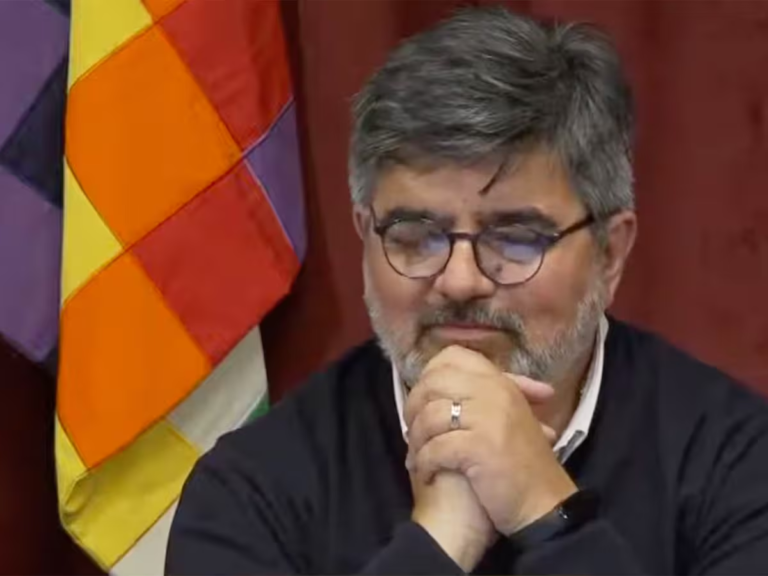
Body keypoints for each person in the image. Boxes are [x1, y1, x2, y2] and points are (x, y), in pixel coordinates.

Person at [165, 6, 768, 575]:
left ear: (610, 253)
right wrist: (438, 541)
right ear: (365, 237)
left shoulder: (740, 459)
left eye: (516, 239)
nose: (459, 281)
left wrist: (543, 510)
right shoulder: (251, 488)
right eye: (415, 235)